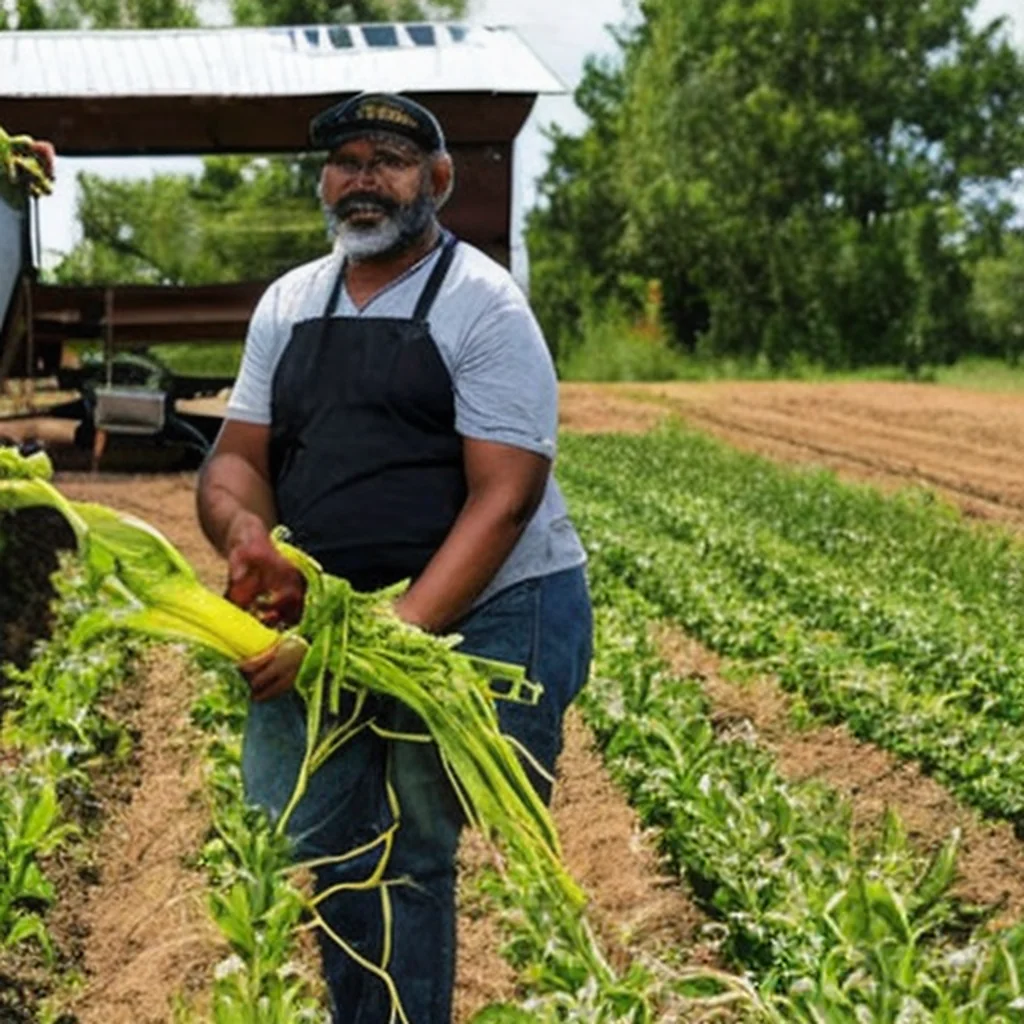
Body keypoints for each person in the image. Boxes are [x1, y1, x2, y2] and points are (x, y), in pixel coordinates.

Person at [196, 92, 592, 1024]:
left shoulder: (483, 304)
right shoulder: (289, 304)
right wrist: (244, 533)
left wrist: (385, 635)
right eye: (345, 159)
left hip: (489, 601)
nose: (363, 177)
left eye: (391, 159)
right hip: (339, 609)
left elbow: (505, 498)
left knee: (412, 844)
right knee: (332, 847)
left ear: (439, 181)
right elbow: (238, 460)